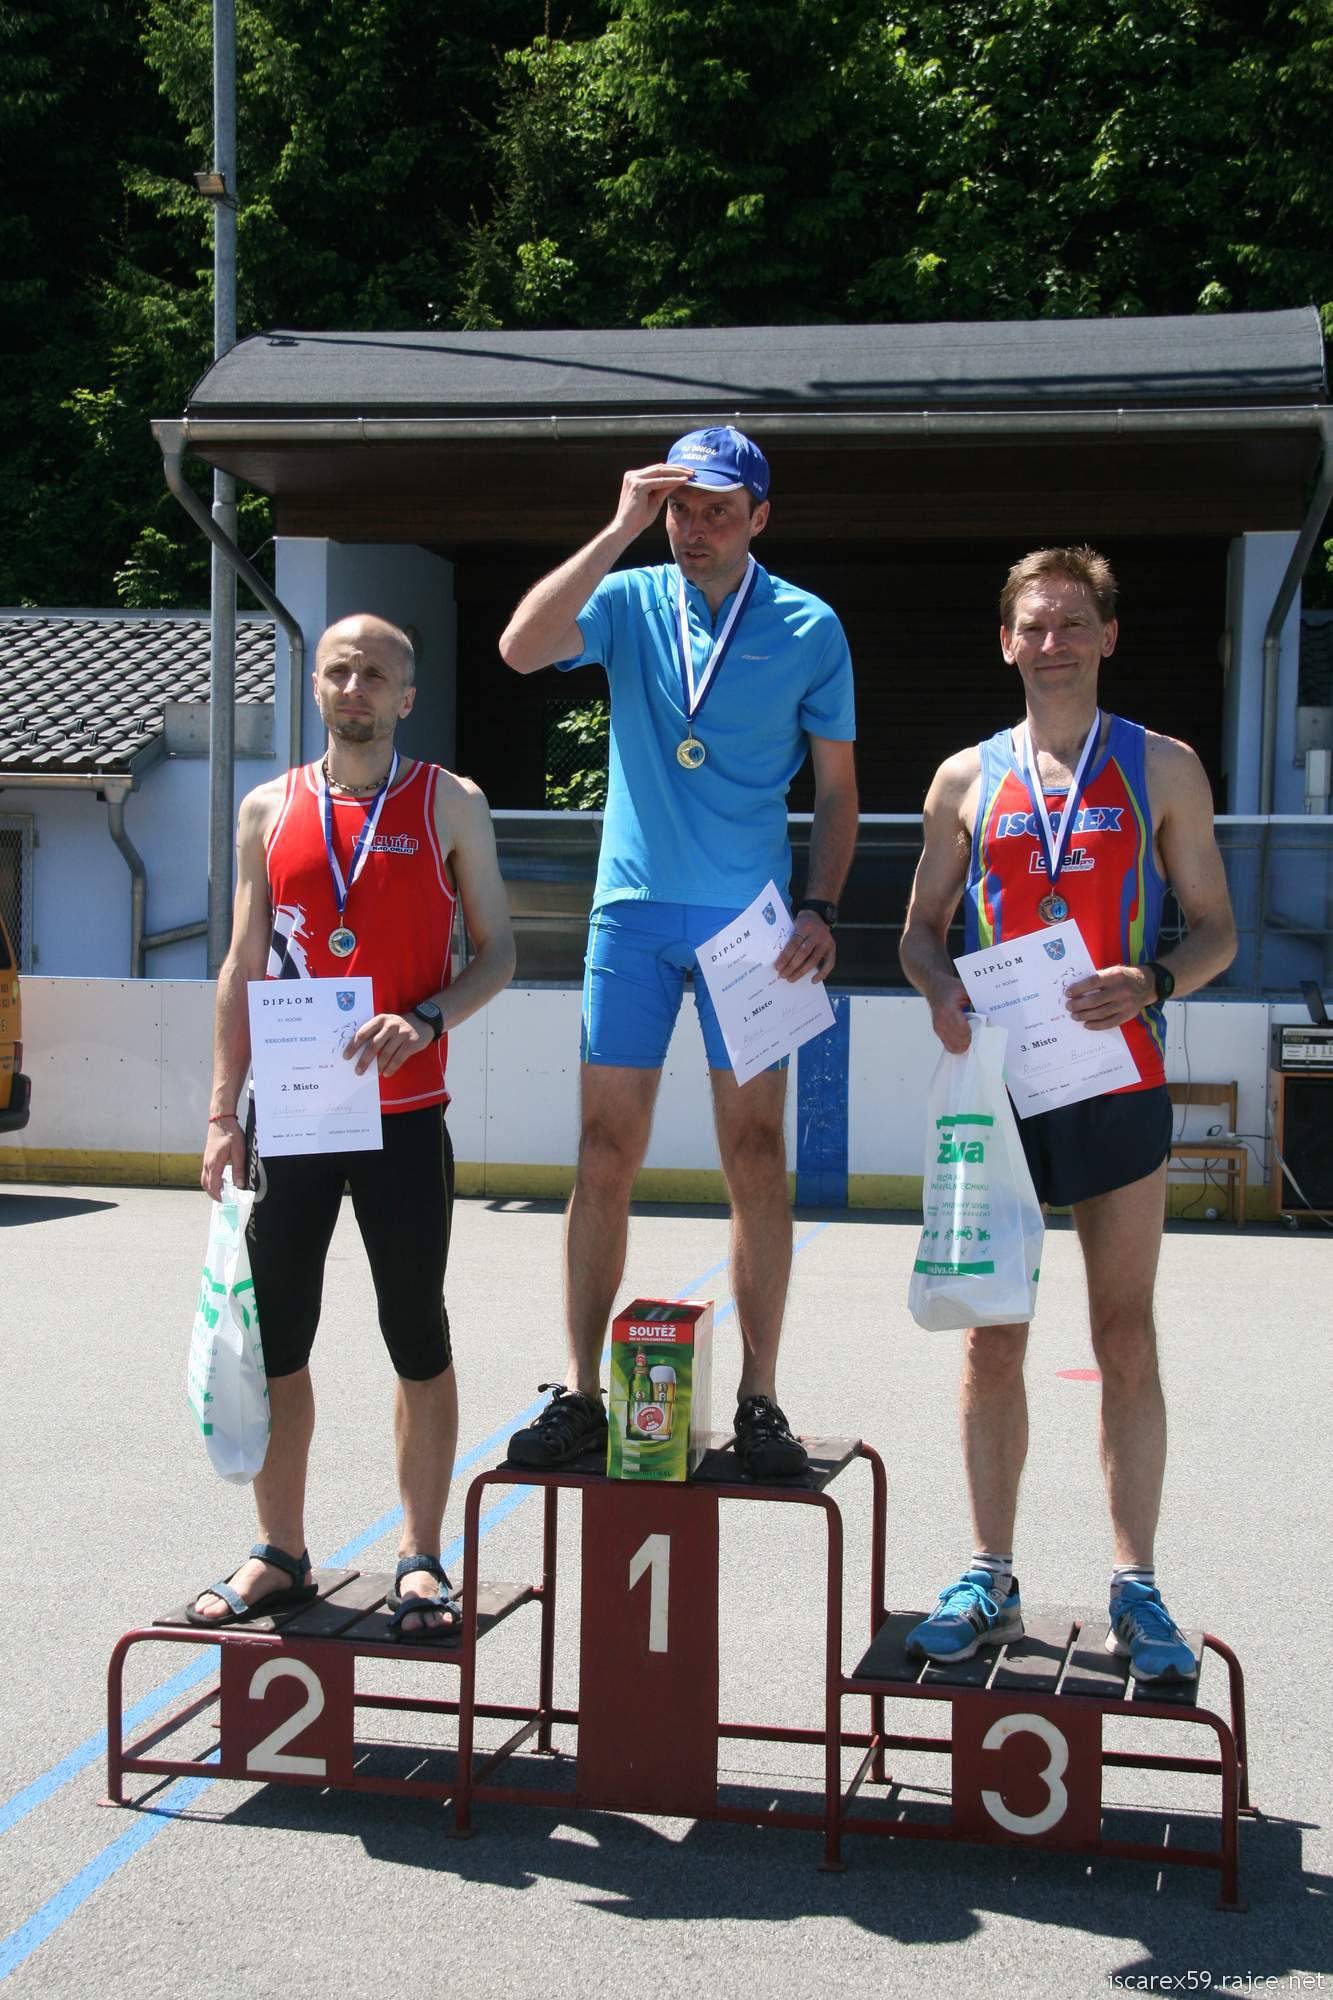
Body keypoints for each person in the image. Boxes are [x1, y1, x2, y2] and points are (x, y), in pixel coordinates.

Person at [898, 546, 1236, 1682]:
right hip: (1000, 1088)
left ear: (1107, 636)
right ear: (1006, 642)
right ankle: (988, 1570)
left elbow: (1217, 930)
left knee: (1123, 1335)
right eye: (1034, 626)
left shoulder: (1163, 766)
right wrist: (940, 989)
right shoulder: (964, 777)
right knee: (992, 1333)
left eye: (1074, 623)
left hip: (1115, 1077)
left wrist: (1154, 980)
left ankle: (1136, 1583)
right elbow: (917, 932)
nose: (1053, 643)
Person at [498, 427, 858, 1477]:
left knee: (757, 1153)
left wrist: (821, 905)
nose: (693, 530)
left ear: (758, 517)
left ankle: (759, 1396)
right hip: (633, 913)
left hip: (753, 930)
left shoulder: (809, 624)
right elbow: (520, 647)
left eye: (717, 512)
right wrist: (617, 528)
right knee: (602, 1148)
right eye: (678, 509)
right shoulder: (625, 596)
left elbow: (837, 790)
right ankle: (579, 1390)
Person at [191, 614, 515, 1641]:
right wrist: (222, 1111)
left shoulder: (450, 802)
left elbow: (498, 954)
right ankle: (280, 1551)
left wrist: (428, 1019)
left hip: (404, 1114)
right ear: (316, 687)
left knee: (415, 1332)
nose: (354, 686)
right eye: (338, 670)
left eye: (375, 672)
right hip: (290, 1116)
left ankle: (420, 1556)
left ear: (405, 695)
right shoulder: (267, 807)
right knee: (280, 1336)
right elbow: (242, 966)